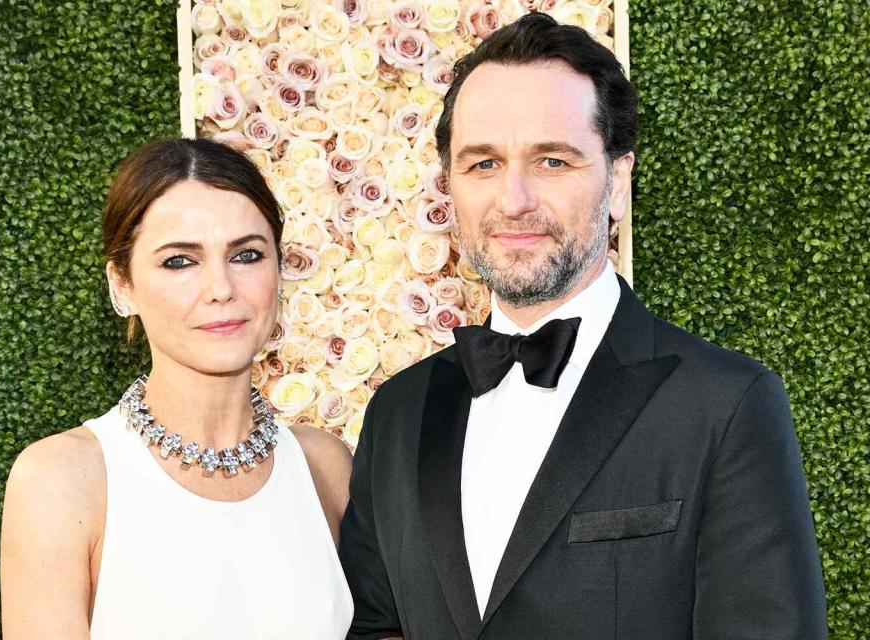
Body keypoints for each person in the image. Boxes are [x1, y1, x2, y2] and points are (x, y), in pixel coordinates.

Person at [339, 13, 827, 639]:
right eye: (483, 164)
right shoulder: (398, 414)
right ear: (449, 187)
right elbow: (375, 627)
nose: (513, 199)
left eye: (552, 161)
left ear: (617, 182)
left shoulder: (724, 406)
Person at [0, 138, 353, 638]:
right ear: (122, 285)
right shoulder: (62, 481)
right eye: (180, 261)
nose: (221, 288)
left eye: (247, 255)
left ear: (279, 269)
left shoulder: (325, 467)